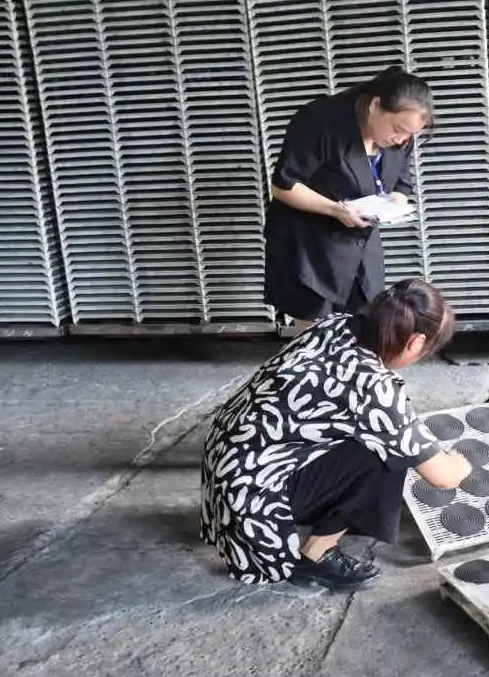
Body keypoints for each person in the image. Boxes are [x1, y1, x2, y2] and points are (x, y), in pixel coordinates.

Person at [201, 279, 472, 590]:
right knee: (388, 454)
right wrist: (460, 463)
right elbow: (444, 478)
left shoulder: (333, 324)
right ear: (415, 342)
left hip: (226, 470)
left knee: (382, 439)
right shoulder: (374, 389)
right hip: (254, 500)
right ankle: (316, 554)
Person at [264, 66, 433, 331]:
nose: (401, 139)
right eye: (397, 129)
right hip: (309, 247)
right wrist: (336, 210)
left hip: (360, 244)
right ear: (375, 105)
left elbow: (402, 184)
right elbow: (284, 187)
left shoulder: (401, 138)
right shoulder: (319, 122)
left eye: (410, 135)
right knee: (317, 337)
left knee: (366, 329)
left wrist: (395, 204)